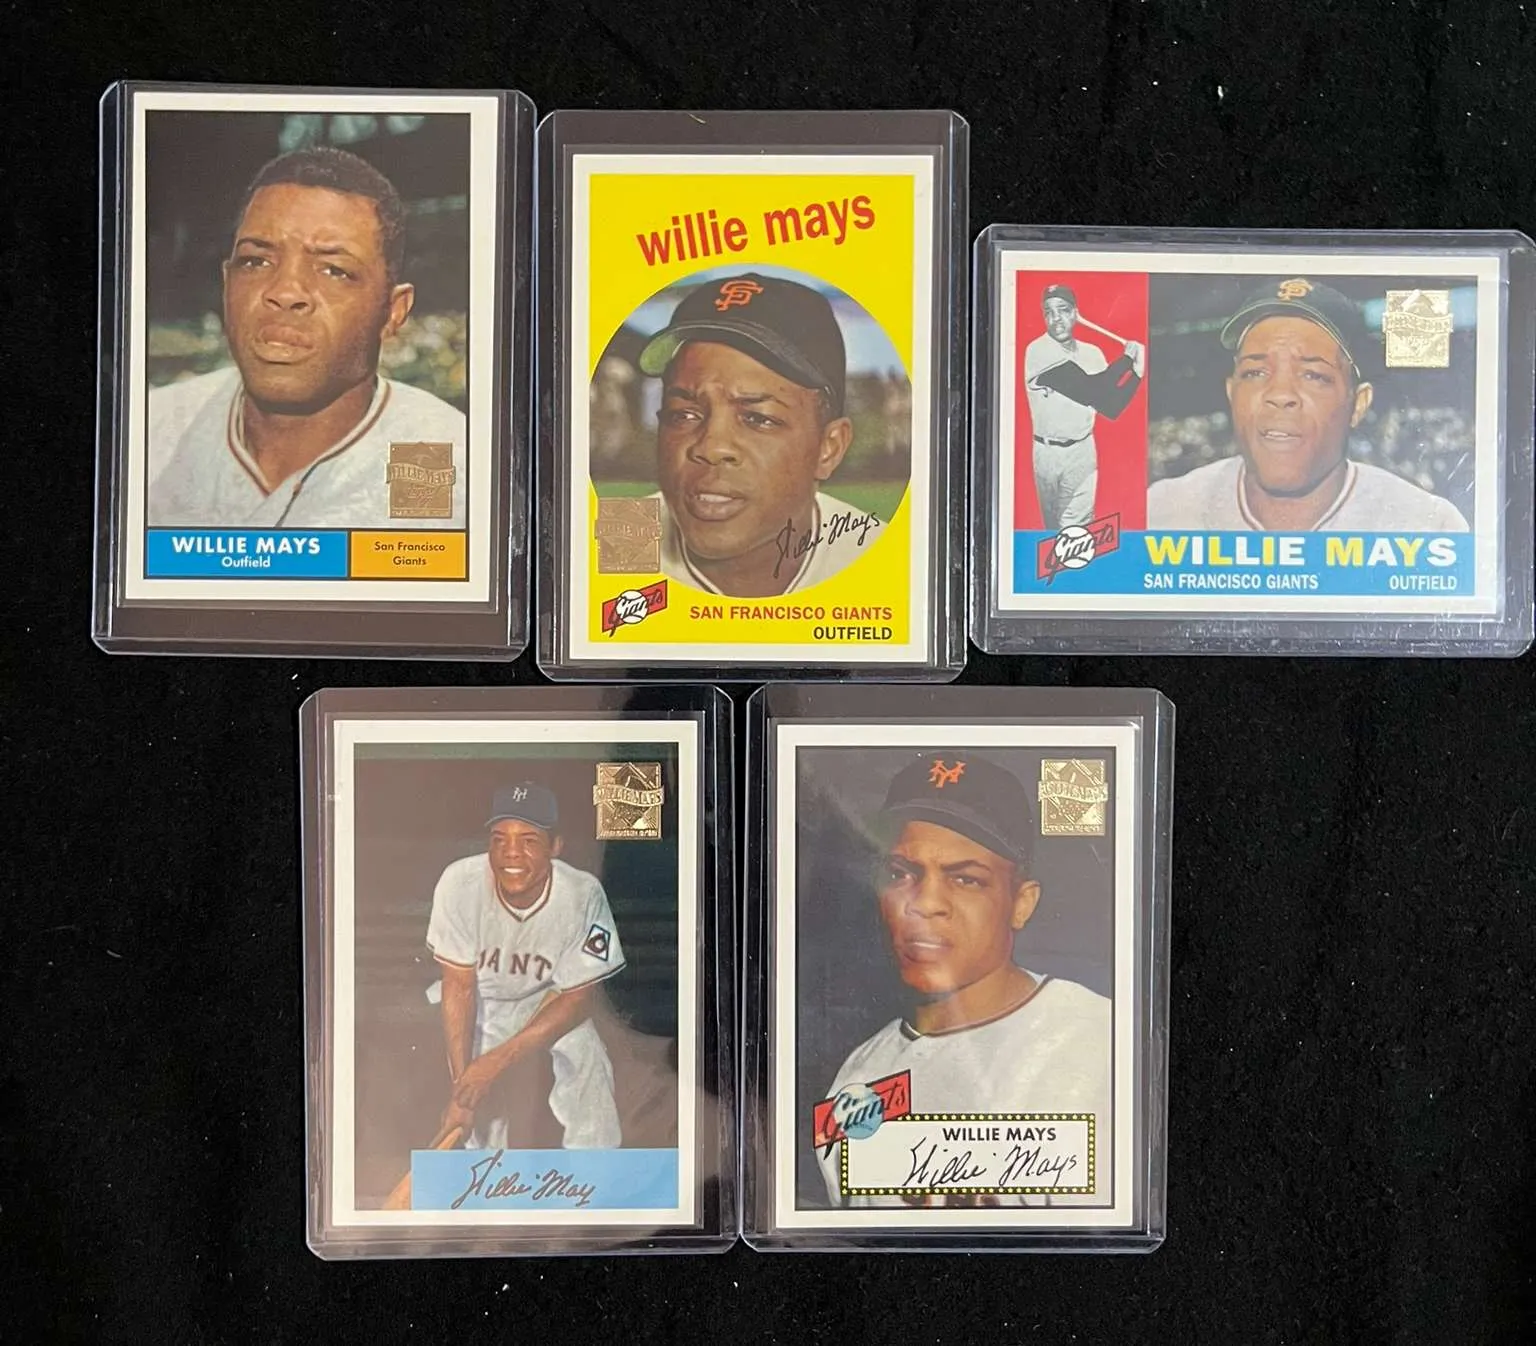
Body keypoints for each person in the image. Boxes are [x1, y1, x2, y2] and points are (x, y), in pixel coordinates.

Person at [817, 753, 1111, 1208]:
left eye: (966, 879)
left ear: (1022, 903)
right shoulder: (857, 1077)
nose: (924, 904)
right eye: (901, 873)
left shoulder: (1103, 1042)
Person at [148, 146, 466, 529]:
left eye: (333, 270)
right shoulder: (148, 433)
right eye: (255, 261)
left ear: (393, 311)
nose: (285, 292)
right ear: (226, 282)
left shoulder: (444, 452)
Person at [1146, 277, 1469, 532]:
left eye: (1313, 375)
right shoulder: (1161, 511)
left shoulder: (1426, 525)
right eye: (1255, 372)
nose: (1280, 394)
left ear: (1358, 404)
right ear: (1231, 393)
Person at [635, 272, 884, 596]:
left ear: (829, 448)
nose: (711, 447)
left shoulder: (880, 557)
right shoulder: (622, 539)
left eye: (758, 418)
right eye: (683, 414)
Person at [426, 784, 625, 1150]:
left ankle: (595, 1164)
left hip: (548, 1001)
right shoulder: (460, 883)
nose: (511, 852)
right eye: (499, 839)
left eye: (529, 840)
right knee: (477, 1104)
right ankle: (483, 1171)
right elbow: (460, 986)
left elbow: (576, 997)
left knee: (587, 1056)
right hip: (482, 1001)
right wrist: (463, 1088)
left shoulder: (582, 894)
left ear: (555, 846)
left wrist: (495, 1063)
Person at [1023, 283, 1145, 531]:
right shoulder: (1038, 350)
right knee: (1051, 532)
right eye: (1048, 312)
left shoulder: (1093, 353)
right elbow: (1088, 388)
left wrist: (1137, 375)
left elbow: (1110, 406)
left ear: (1075, 313)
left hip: (1082, 451)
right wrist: (1128, 360)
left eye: (1063, 310)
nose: (1056, 319)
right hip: (1047, 452)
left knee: (1075, 530)